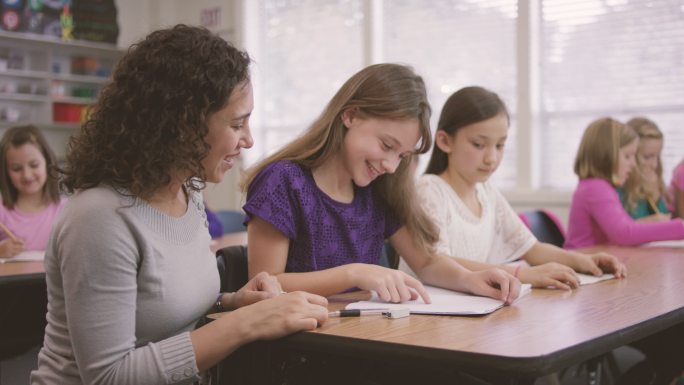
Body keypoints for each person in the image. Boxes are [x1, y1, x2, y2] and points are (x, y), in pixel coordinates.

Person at [30, 25, 327, 385]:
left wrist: (233, 303)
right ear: (183, 125)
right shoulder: (98, 218)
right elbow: (109, 376)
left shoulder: (188, 192)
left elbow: (165, 314)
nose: (247, 140)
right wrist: (245, 324)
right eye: (237, 124)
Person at [242, 64, 521, 305]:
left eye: (402, 155)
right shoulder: (283, 181)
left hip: (363, 339)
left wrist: (471, 279)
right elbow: (265, 285)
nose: (391, 165)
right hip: (298, 347)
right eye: (387, 145)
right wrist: (354, 274)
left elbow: (426, 262)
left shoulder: (378, 189)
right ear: (350, 116)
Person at [408, 86, 625, 290]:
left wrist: (583, 261)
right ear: (445, 141)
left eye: (500, 145)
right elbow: (437, 263)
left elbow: (532, 249)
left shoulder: (486, 193)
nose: (491, 158)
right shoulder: (430, 190)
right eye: (478, 144)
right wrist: (521, 274)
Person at [564, 117, 684, 249]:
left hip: (594, 258)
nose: (633, 164)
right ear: (607, 155)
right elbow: (625, 233)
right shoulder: (595, 188)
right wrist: (680, 227)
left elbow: (626, 227)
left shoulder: (601, 187)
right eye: (627, 156)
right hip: (582, 262)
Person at [0, 125, 65, 258]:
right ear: (5, 173)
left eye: (34, 165)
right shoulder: (2, 211)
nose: (27, 175)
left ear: (47, 163)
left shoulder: (66, 209)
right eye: (17, 168)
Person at [618, 117, 671, 221]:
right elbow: (622, 230)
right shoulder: (616, 190)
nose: (655, 165)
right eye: (647, 157)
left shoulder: (652, 182)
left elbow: (665, 221)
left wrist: (655, 196)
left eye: (657, 156)